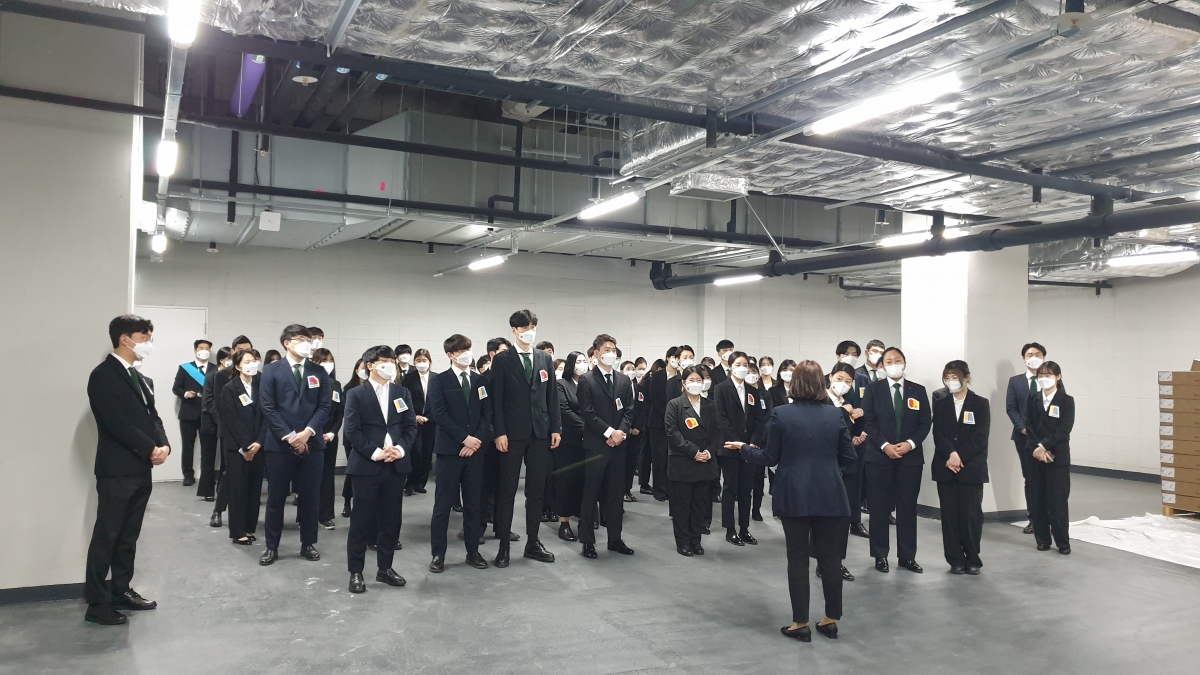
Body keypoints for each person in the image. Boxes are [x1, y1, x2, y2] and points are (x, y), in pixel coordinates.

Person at [739, 360, 856, 642]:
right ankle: (831, 620)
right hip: (830, 493)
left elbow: (770, 457)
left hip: (794, 493)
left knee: (798, 557)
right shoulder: (836, 415)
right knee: (830, 557)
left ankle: (800, 623)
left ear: (795, 384)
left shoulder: (781, 414)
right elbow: (849, 458)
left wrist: (743, 449)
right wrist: (828, 470)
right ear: (821, 384)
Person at [84, 315, 170, 625]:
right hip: (116, 469)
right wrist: (149, 448)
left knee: (128, 536)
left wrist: (164, 445)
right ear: (125, 338)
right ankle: (97, 604)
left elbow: (153, 417)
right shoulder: (103, 375)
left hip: (140, 469)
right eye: (144, 337)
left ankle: (121, 590)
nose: (149, 343)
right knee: (107, 536)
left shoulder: (141, 378)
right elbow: (116, 422)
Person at [490, 309, 562, 567]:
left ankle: (533, 542)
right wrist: (499, 431)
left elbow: (551, 395)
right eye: (525, 327)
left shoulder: (544, 358)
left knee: (536, 490)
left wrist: (556, 428)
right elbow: (496, 399)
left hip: (540, 433)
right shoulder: (503, 360)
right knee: (507, 490)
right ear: (514, 330)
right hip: (511, 434)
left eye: (533, 327)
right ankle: (504, 545)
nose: (530, 331)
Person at [343, 345, 417, 593]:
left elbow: (410, 427)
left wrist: (400, 450)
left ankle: (385, 568)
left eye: (392, 361)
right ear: (370, 365)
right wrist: (375, 452)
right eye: (384, 361)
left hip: (396, 465)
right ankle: (356, 571)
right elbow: (352, 430)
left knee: (391, 520)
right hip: (367, 465)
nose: (390, 366)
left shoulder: (402, 392)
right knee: (361, 521)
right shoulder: (356, 393)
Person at [258, 324, 332, 566]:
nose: (306, 343)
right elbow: (268, 407)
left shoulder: (318, 371)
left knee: (310, 496)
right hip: (280, 444)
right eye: (300, 339)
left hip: (312, 443)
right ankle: (272, 546)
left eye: (308, 340)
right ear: (287, 343)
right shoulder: (271, 370)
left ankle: (308, 543)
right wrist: (291, 436)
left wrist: (307, 432)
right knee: (276, 497)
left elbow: (324, 406)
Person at [861, 347, 931, 573]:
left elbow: (925, 423)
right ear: (882, 366)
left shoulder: (918, 390)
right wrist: (885, 446)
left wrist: (910, 443)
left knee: (907, 508)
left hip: (910, 459)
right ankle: (880, 555)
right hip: (879, 457)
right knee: (879, 508)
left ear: (904, 363)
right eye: (888, 361)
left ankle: (907, 556)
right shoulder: (873, 389)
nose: (893, 365)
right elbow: (869, 422)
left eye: (897, 360)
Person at [427, 334, 493, 573]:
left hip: (475, 451)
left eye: (469, 349)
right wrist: (464, 439)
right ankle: (438, 554)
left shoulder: (480, 380)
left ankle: (473, 551)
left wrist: (475, 440)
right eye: (462, 351)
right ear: (450, 355)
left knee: (473, 504)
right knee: (443, 506)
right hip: (449, 451)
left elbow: (487, 413)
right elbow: (439, 414)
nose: (467, 354)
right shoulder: (439, 381)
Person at [576, 334, 636, 559]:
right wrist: (610, 432)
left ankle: (615, 538)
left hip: (619, 445)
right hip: (596, 445)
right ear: (597, 353)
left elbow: (629, 410)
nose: (611, 353)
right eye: (607, 349)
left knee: (615, 494)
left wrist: (620, 433)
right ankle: (587, 541)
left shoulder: (623, 380)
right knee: (591, 493)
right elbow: (587, 413)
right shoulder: (587, 380)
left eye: (614, 349)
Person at [931, 360, 990, 574]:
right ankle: (954, 559)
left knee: (971, 516)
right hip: (946, 466)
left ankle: (973, 558)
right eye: (947, 378)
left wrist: (960, 456)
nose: (951, 382)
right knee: (949, 517)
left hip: (971, 468)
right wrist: (951, 454)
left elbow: (980, 436)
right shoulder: (940, 404)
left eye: (955, 377)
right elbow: (938, 433)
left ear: (967, 378)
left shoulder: (980, 403)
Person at [665, 366, 724, 556]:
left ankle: (695, 540)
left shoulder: (710, 405)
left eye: (699, 380)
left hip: (705, 461)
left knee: (700, 505)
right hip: (683, 461)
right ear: (684, 383)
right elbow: (672, 433)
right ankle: (682, 541)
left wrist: (709, 452)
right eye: (691, 380)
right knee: (682, 506)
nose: (696, 383)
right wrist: (694, 452)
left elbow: (717, 431)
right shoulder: (675, 405)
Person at [714, 351, 764, 546]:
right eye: (738, 365)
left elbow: (759, 419)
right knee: (730, 488)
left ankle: (744, 528)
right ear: (730, 367)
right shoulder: (721, 388)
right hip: (729, 446)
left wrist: (753, 442)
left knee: (746, 490)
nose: (742, 368)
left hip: (749, 448)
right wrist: (737, 442)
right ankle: (730, 530)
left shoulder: (753, 391)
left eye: (745, 365)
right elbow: (721, 418)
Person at [1024, 361, 1074, 555]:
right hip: (1035, 457)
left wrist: (1044, 446)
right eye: (1041, 376)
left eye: (1049, 375)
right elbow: (1029, 426)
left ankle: (1063, 542)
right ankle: (1042, 539)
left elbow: (1063, 430)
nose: (1044, 379)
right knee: (1037, 500)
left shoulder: (1066, 401)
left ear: (1058, 377)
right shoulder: (1032, 399)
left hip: (1057, 457)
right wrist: (1036, 448)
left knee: (1058, 501)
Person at [218, 348, 266, 546]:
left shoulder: (261, 386)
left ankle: (249, 527)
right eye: (247, 361)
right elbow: (231, 420)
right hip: (237, 448)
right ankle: (238, 531)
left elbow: (267, 417)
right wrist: (246, 446)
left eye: (254, 360)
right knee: (238, 490)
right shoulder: (229, 389)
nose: (252, 364)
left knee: (254, 490)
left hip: (259, 447)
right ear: (237, 366)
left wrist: (258, 443)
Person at [826, 362, 865, 580]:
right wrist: (844, 413)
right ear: (830, 377)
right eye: (839, 379)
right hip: (826, 467)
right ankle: (824, 562)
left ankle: (838, 561)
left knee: (843, 517)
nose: (843, 384)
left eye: (848, 381)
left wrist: (859, 420)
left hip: (847, 467)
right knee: (825, 517)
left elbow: (855, 431)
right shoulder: (820, 401)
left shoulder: (849, 403)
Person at [1007, 342, 1047, 535]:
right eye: (1030, 354)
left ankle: (1050, 519)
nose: (1034, 357)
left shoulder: (1051, 380)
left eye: (1038, 354)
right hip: (1024, 438)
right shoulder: (1016, 382)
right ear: (1024, 358)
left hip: (1047, 439)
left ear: (1044, 357)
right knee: (1030, 479)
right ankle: (1034, 519)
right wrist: (1023, 428)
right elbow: (1011, 408)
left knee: (1048, 480)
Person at [555, 351, 589, 541]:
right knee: (567, 482)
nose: (582, 364)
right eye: (578, 361)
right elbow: (564, 409)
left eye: (584, 361)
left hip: (590, 440)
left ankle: (585, 518)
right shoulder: (562, 384)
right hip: (570, 440)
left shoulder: (590, 382)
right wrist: (586, 427)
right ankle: (564, 522)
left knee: (586, 481)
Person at [171, 339, 215, 486]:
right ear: (195, 350)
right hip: (189, 412)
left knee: (208, 447)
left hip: (208, 414)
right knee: (188, 446)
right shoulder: (185, 368)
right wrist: (185, 394)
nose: (204, 350)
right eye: (201, 348)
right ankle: (188, 475)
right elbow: (176, 388)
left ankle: (206, 476)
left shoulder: (215, 369)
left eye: (207, 348)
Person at [311, 348, 344, 530]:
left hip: (330, 437)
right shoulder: (310, 383)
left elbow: (339, 413)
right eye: (323, 361)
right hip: (311, 436)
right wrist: (315, 432)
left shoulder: (335, 385)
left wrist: (332, 433)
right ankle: (306, 515)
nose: (328, 364)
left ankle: (326, 515)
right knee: (310, 477)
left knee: (328, 476)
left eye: (330, 361)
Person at [199, 346, 232, 506]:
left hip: (227, 422)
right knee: (208, 457)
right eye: (229, 358)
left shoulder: (232, 375)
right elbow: (209, 399)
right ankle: (207, 491)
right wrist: (220, 418)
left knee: (226, 458)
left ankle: (223, 490)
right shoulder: (211, 376)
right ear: (222, 360)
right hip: (210, 420)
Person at [403, 348, 436, 496]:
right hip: (413, 420)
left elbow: (439, 401)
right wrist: (414, 416)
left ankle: (420, 483)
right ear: (414, 362)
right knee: (415, 452)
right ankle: (410, 483)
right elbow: (404, 400)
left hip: (430, 421)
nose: (421, 363)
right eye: (418, 360)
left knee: (427, 453)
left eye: (424, 360)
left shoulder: (436, 378)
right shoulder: (408, 378)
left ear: (429, 361)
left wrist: (429, 416)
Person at [341, 359, 366, 518]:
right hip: (353, 436)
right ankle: (347, 501)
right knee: (353, 470)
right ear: (356, 370)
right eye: (362, 367)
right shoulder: (349, 389)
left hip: (370, 437)